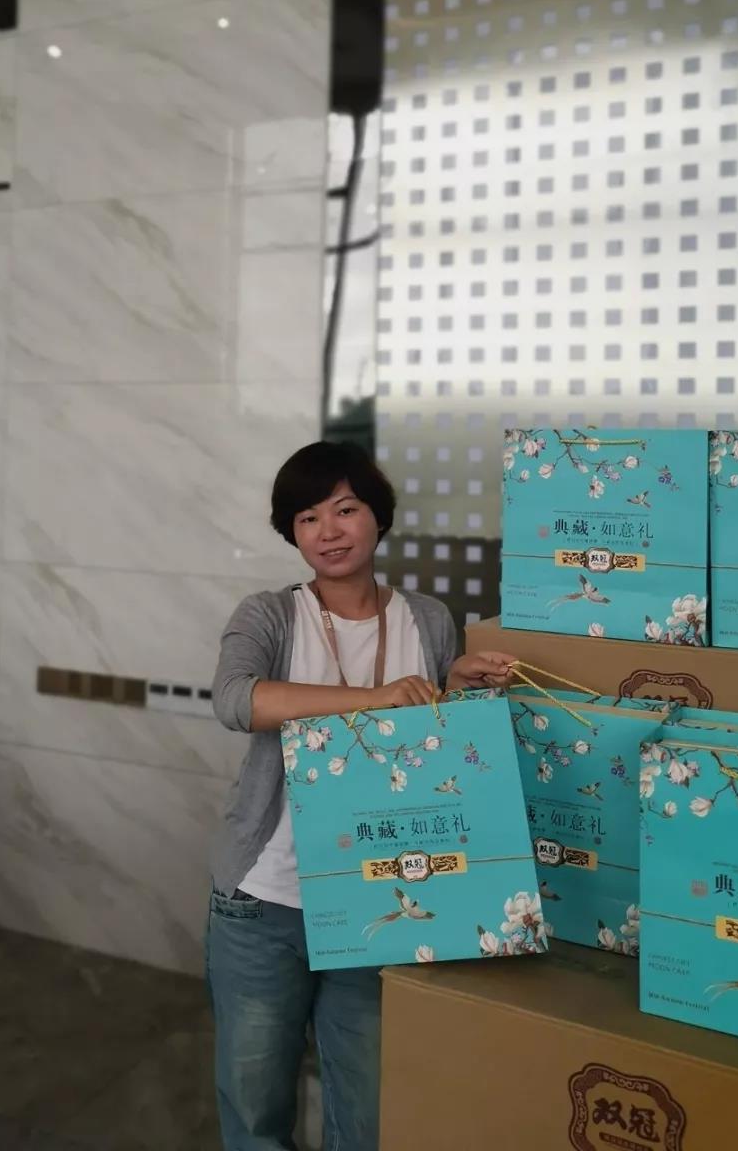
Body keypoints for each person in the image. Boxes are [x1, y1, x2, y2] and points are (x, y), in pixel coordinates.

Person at [208, 440, 514, 1150]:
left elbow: (434, 743)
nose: (329, 531)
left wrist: (456, 686)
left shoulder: (428, 619)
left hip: (382, 898)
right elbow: (236, 700)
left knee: (369, 1113)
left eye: (345, 510)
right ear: (292, 533)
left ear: (378, 516)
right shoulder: (269, 614)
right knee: (255, 1111)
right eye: (308, 517)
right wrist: (371, 698)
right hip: (265, 898)